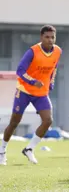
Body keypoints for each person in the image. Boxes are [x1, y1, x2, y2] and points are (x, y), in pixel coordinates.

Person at [0, 25, 62, 165]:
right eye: (47, 37)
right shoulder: (32, 51)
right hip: (24, 91)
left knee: (48, 120)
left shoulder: (58, 51)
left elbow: (54, 68)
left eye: (52, 37)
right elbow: (20, 71)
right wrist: (33, 81)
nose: (50, 40)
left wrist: (51, 82)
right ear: (41, 37)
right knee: (14, 122)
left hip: (41, 93)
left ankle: (29, 149)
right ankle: (2, 151)